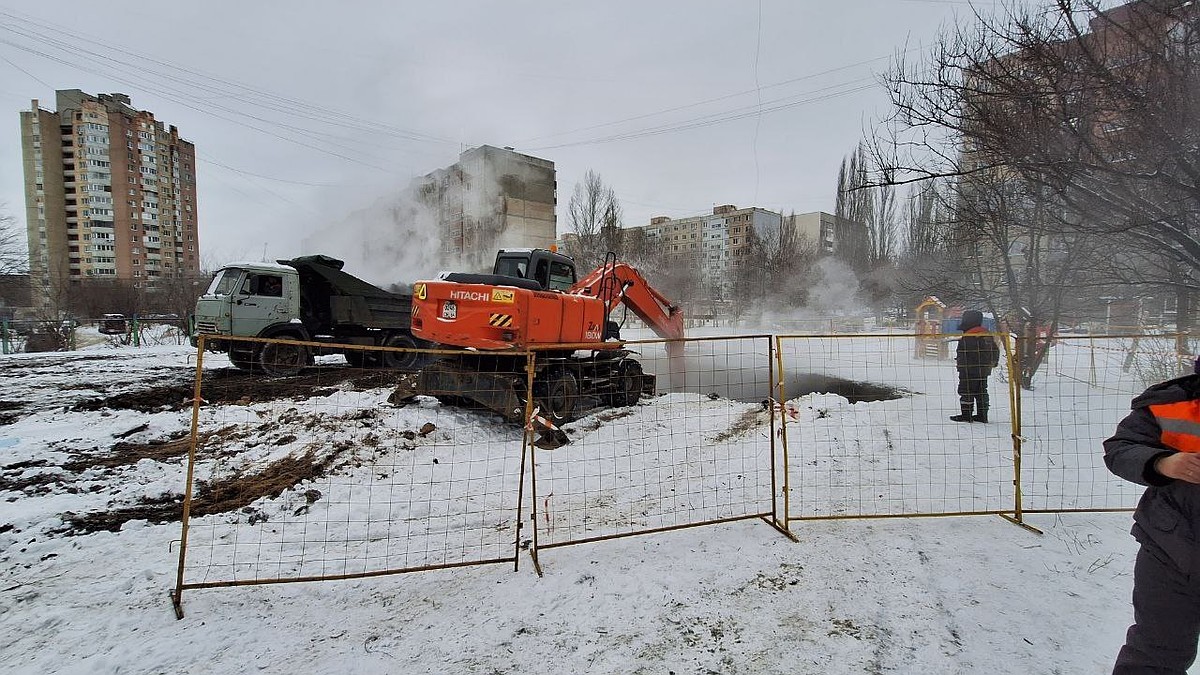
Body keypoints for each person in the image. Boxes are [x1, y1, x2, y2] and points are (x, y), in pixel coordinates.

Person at [1105, 359, 1200, 673]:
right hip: (1171, 551)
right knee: (1155, 655)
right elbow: (1120, 448)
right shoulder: (1174, 403)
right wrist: (1163, 463)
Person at [950, 309, 999, 423]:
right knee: (981, 391)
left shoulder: (969, 336)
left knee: (966, 390)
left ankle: (966, 415)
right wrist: (992, 363)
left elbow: (967, 353)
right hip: (984, 370)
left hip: (969, 370)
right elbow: (995, 350)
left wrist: (963, 366)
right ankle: (982, 415)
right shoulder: (986, 334)